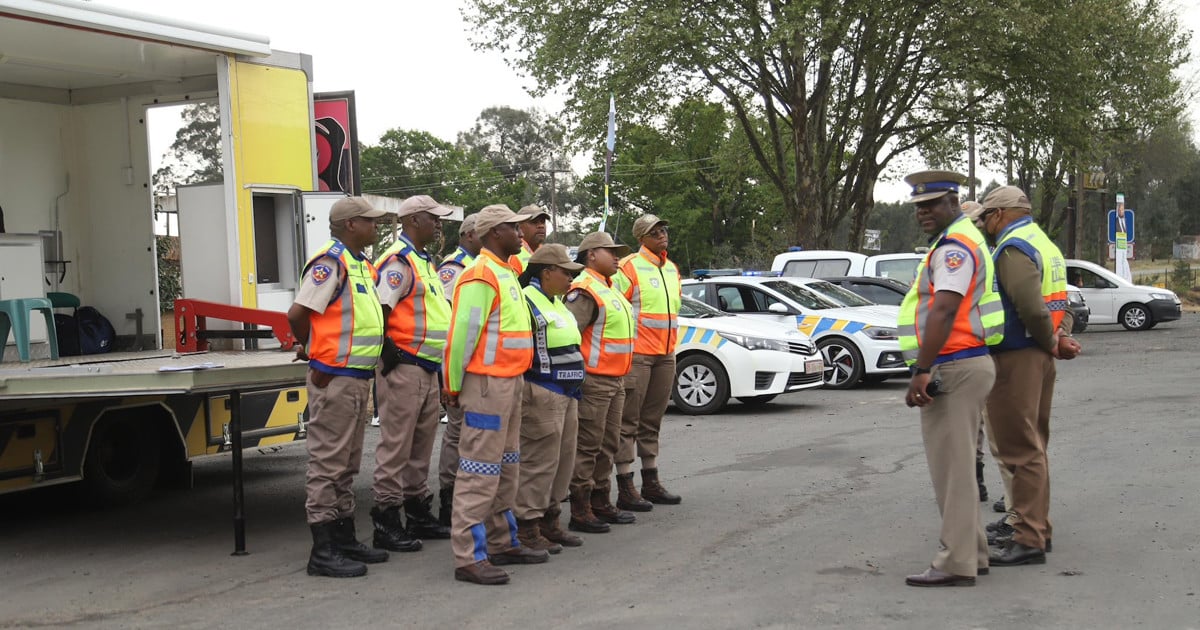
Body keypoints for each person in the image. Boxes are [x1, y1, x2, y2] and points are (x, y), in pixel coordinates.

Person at [897, 171, 1005, 588]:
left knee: (953, 472)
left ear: (954, 202)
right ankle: (972, 553)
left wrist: (921, 370)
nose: (923, 213)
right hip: (966, 361)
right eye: (918, 207)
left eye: (932, 204)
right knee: (958, 466)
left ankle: (954, 562)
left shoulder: (954, 248)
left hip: (953, 364)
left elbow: (943, 310)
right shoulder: (958, 240)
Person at [286, 196, 390, 578]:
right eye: (370, 221)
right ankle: (323, 549)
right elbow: (298, 314)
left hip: (356, 377)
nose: (376, 227)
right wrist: (315, 352)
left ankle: (344, 538)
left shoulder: (360, 265)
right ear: (350, 225)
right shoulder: (330, 263)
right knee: (328, 464)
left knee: (346, 463)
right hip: (335, 377)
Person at [978, 186, 1081, 567]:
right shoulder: (1045, 244)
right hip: (1039, 355)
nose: (986, 225)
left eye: (987, 216)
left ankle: (1029, 538)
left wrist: (1050, 340)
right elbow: (1060, 302)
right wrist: (1060, 337)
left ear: (1001, 214)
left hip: (1018, 355)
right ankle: (1038, 528)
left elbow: (1031, 307)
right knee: (1034, 446)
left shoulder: (1012, 248)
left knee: (1019, 450)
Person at [443, 203, 544, 585]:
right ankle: (468, 557)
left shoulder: (504, 273)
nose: (521, 234)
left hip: (509, 383)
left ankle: (501, 542)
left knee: (506, 467)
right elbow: (461, 338)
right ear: (493, 234)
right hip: (486, 386)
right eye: (513, 228)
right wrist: (452, 386)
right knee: (478, 471)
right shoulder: (480, 275)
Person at [370, 195, 455, 552]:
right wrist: (389, 352)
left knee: (420, 446)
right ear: (413, 220)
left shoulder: (423, 261)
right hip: (404, 364)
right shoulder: (399, 261)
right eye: (433, 218)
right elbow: (380, 308)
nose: (439, 224)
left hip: (426, 366)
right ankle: (387, 521)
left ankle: (417, 512)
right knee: (396, 447)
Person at [512, 244, 587, 554]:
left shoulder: (556, 301)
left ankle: (550, 521)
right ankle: (527, 525)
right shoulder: (527, 301)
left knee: (562, 462)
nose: (571, 278)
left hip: (567, 393)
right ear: (546, 273)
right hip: (542, 391)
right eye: (566, 272)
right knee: (538, 463)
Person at [563, 231, 636, 533]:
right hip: (594, 380)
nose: (617, 256)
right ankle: (580, 509)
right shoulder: (583, 289)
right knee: (588, 447)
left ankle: (601, 501)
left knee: (608, 444)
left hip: (615, 379)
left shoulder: (609, 287)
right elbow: (570, 335)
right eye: (611, 251)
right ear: (591, 254)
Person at [614, 214, 683, 507]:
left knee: (652, 419)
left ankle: (651, 479)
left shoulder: (670, 268)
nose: (661, 235)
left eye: (663, 230)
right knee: (628, 420)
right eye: (654, 232)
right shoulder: (629, 266)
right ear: (641, 238)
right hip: (639, 354)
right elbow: (615, 306)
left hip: (665, 353)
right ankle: (625, 485)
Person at [434, 212, 481, 527]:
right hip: (457, 362)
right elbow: (451, 318)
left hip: (480, 364)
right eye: (482, 233)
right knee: (457, 431)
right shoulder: (455, 268)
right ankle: (449, 497)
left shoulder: (484, 268)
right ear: (466, 236)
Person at [509, 204, 550, 273]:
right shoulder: (513, 256)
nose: (541, 226)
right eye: (534, 222)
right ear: (518, 227)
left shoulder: (548, 254)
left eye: (543, 222)